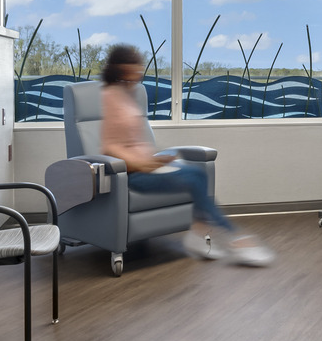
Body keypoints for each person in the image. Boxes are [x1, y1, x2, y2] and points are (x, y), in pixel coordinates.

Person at [99, 44, 274, 267]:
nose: (141, 69)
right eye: (137, 65)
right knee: (193, 178)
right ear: (123, 67)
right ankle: (236, 239)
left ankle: (199, 235)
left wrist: (159, 157)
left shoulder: (129, 94)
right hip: (133, 173)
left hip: (149, 165)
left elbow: (134, 140)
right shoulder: (110, 96)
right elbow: (110, 147)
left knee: (199, 173)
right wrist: (144, 164)